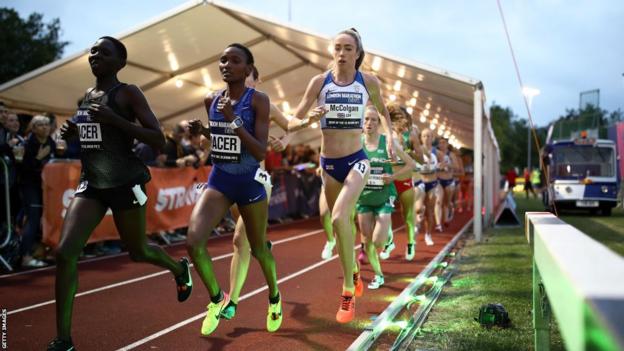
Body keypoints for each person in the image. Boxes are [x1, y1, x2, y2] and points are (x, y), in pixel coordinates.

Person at [47, 37, 192, 351]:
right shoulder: (86, 96)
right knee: (65, 253)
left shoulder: (128, 93)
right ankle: (63, 339)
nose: (96, 55)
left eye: (104, 52)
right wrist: (74, 134)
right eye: (93, 51)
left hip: (126, 182)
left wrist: (115, 120)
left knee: (138, 251)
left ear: (120, 63)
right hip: (93, 184)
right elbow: (94, 137)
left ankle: (178, 268)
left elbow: (157, 140)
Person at [287, 28, 394, 323]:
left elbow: (384, 112)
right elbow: (294, 119)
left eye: (348, 48)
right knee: (339, 226)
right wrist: (306, 121)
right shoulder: (319, 82)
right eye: (338, 47)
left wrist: (392, 139)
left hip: (357, 160)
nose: (342, 53)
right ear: (331, 51)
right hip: (329, 165)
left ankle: (348, 291)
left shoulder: (367, 81)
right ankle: (355, 272)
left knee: (338, 217)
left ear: (358, 53)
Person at [186, 43, 282, 336]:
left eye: (234, 60)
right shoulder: (211, 99)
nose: (226, 64)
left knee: (257, 249)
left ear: (248, 69)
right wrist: (202, 131)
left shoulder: (258, 101)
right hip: (221, 180)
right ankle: (218, 299)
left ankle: (275, 297)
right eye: (223, 60)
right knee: (193, 242)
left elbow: (259, 151)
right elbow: (219, 139)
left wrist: (233, 119)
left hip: (249, 182)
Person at [357, 107, 415, 289]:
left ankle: (387, 239)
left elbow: (410, 164)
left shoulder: (387, 142)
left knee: (377, 241)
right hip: (363, 199)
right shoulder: (356, 143)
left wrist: (392, 177)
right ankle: (379, 275)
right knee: (366, 242)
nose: (369, 123)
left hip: (384, 198)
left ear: (380, 123)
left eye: (374, 120)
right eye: (366, 119)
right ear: (361, 121)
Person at [380, 104, 416, 261]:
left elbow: (418, 156)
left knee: (407, 215)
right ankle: (388, 242)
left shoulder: (411, 135)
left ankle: (410, 243)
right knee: (384, 213)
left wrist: (413, 154)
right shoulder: (383, 134)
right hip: (390, 180)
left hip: (405, 178)